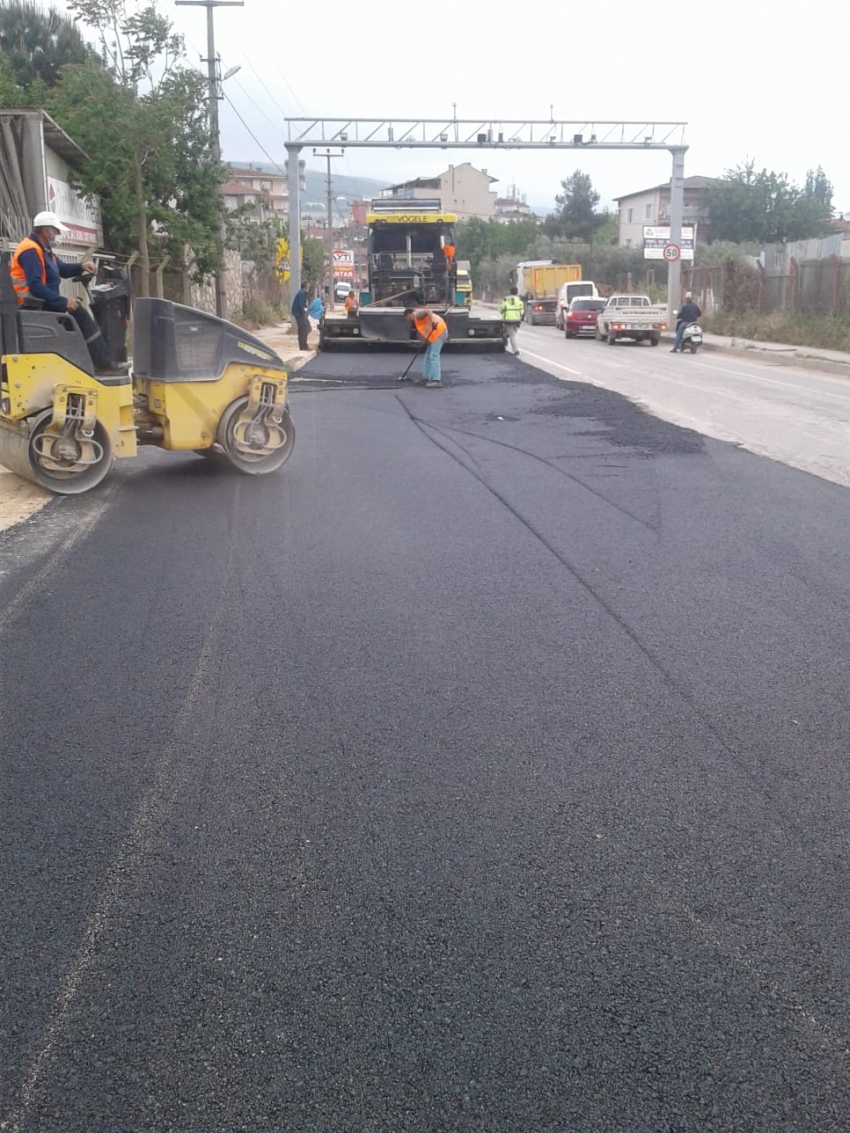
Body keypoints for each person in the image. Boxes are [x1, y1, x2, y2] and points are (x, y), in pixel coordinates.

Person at [10, 211, 121, 374]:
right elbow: (36, 286)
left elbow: (61, 269)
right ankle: (103, 363)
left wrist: (81, 267)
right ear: (46, 231)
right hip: (33, 306)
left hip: (43, 303)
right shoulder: (30, 251)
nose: (57, 234)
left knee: (77, 311)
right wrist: (63, 302)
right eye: (56, 231)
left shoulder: (44, 250)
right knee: (80, 315)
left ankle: (95, 362)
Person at [403, 307, 448, 388]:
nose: (407, 320)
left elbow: (428, 310)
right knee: (427, 356)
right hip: (434, 335)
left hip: (439, 332)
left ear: (408, 315)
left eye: (406, 318)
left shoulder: (418, 315)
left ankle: (436, 380)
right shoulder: (417, 319)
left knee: (433, 356)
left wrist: (432, 322)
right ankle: (426, 378)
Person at [500, 285, 524, 356]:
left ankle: (516, 350)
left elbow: (501, 308)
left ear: (510, 292)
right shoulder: (519, 300)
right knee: (513, 334)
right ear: (516, 292)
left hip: (508, 320)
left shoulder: (505, 300)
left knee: (512, 336)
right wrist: (519, 316)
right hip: (516, 320)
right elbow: (522, 310)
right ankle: (505, 336)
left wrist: (503, 314)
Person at [290, 282, 310, 350]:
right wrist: (303, 313)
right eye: (308, 286)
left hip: (299, 313)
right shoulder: (302, 293)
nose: (309, 288)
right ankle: (303, 346)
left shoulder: (302, 293)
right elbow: (300, 304)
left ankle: (303, 345)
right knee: (305, 329)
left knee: (304, 329)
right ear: (305, 287)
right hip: (299, 313)